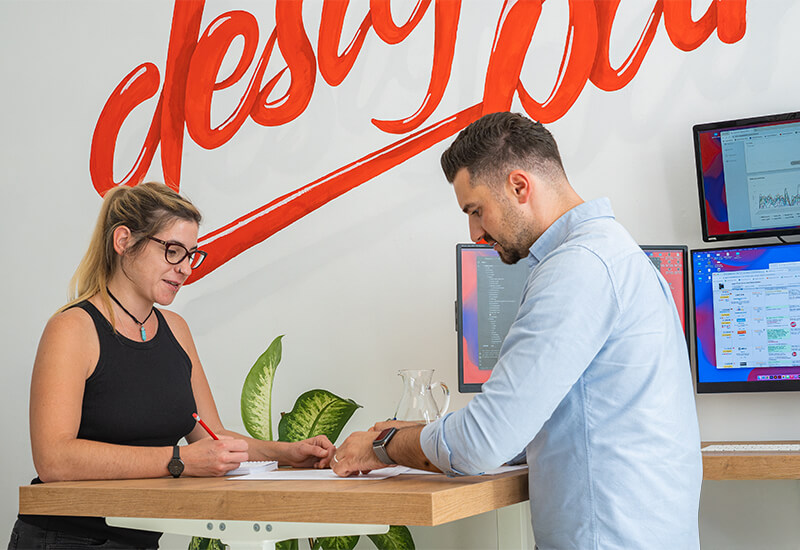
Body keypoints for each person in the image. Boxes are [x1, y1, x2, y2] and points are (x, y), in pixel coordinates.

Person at [332, 112, 703, 549]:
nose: (475, 232)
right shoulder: (612, 254)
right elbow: (541, 428)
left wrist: (384, 446)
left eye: (476, 210)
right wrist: (415, 434)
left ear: (519, 187)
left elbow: (484, 442)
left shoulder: (577, 269)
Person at [9, 182, 335, 550]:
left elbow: (211, 437)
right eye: (173, 251)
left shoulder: (176, 330)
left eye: (191, 255)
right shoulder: (73, 328)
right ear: (123, 241)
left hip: (140, 538)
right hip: (66, 538)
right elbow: (54, 460)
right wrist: (178, 460)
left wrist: (285, 453)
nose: (185, 269)